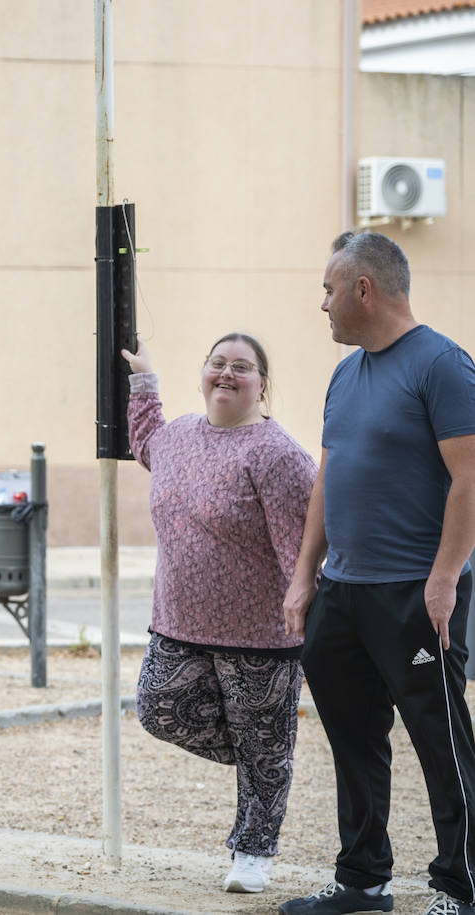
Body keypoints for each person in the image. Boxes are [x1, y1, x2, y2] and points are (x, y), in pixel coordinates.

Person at [279, 232, 475, 915]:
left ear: (364, 289)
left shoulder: (442, 365)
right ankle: (364, 880)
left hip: (416, 592)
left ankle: (461, 886)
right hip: (344, 591)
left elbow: (470, 477)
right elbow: (329, 480)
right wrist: (305, 574)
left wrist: (445, 578)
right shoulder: (345, 374)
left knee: (440, 739)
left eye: (329, 290)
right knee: (354, 739)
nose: (322, 304)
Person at [121, 333, 316, 895]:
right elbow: (144, 440)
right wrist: (143, 379)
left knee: (263, 745)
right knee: (159, 709)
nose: (227, 375)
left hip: (260, 633)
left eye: (242, 367)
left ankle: (253, 852)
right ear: (202, 372)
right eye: (217, 364)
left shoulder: (276, 454)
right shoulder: (178, 437)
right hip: (178, 623)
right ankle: (266, 761)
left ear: (262, 383)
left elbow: (302, 545)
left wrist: (307, 606)